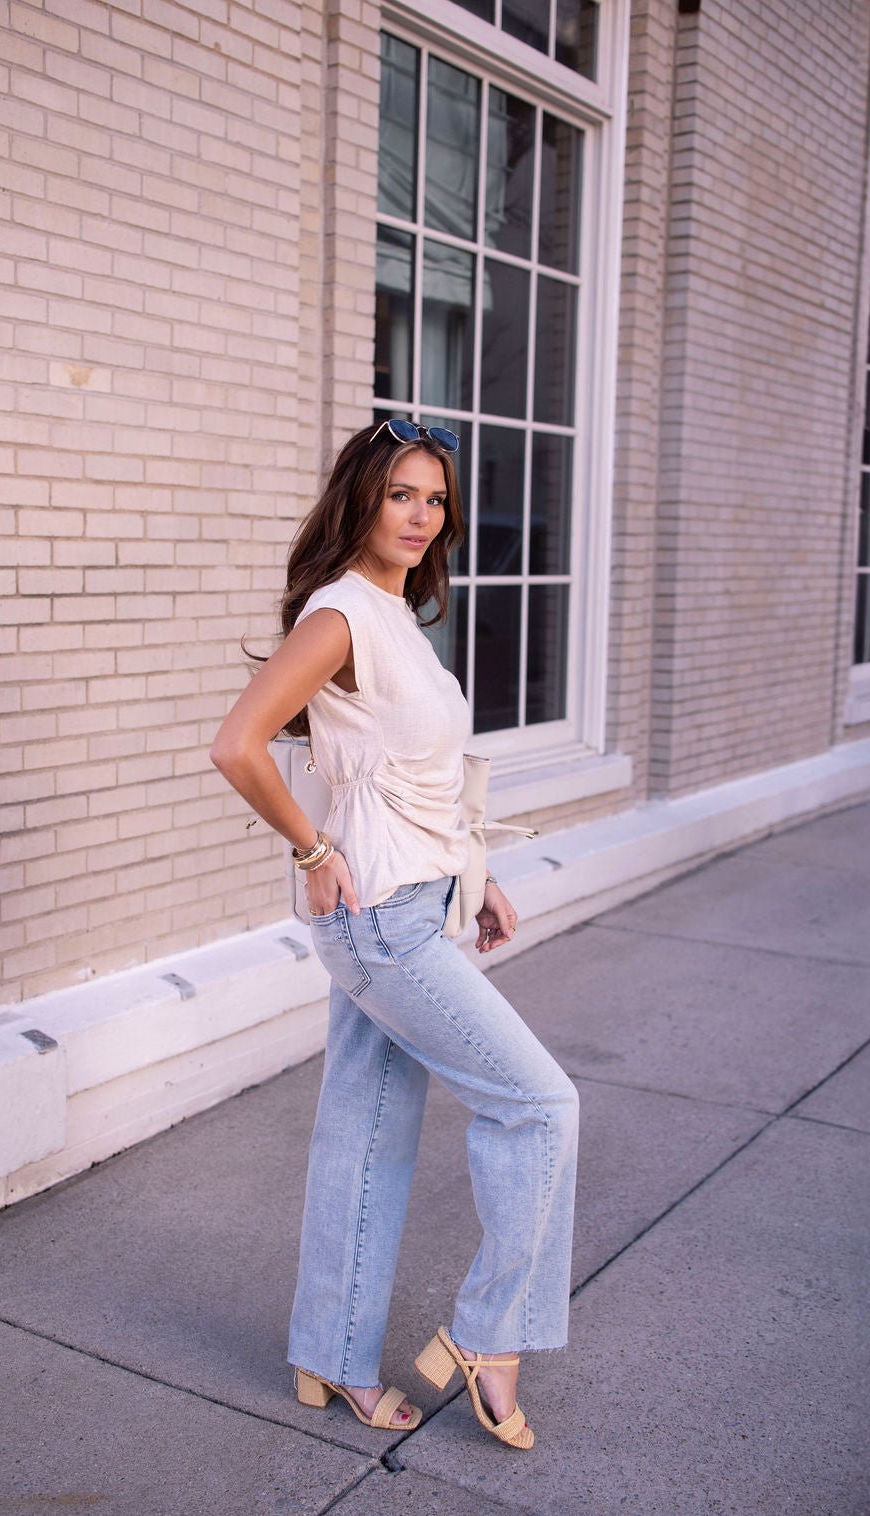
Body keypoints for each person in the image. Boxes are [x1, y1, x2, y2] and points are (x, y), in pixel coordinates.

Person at [210, 419, 578, 1450]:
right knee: (542, 1104)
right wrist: (310, 852)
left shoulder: (392, 613)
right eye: (401, 495)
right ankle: (487, 1335)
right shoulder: (339, 616)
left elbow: (413, 781)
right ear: (360, 499)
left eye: (435, 498)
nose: (421, 516)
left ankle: (328, 1355)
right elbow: (237, 744)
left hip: (410, 905)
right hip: (377, 923)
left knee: (363, 1135)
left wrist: (480, 873)